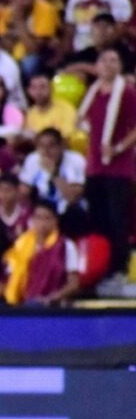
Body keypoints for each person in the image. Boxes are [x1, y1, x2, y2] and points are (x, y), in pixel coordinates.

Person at [76, 48, 136, 279]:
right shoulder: (93, 92)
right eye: (105, 60)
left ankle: (118, 269)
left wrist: (119, 148)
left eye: (115, 60)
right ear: (97, 66)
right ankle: (98, 267)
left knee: (117, 219)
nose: (110, 65)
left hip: (118, 167)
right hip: (95, 166)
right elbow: (83, 122)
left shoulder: (127, 92)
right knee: (98, 219)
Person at [4, 199, 81, 306]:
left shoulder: (66, 245)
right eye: (38, 217)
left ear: (55, 220)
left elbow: (73, 284)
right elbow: (11, 277)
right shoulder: (21, 244)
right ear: (33, 220)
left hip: (54, 306)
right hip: (23, 306)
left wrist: (51, 299)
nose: (42, 223)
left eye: (47, 218)